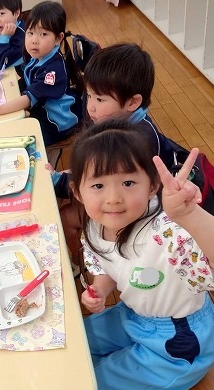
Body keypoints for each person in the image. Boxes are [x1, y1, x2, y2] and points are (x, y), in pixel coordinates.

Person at [43, 120, 214, 390]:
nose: (113, 198)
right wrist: (99, 290)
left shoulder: (168, 233)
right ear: (78, 191)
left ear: (152, 185)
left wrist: (190, 216)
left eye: (128, 183)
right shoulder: (96, 226)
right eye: (98, 185)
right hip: (136, 318)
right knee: (73, 343)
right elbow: (105, 268)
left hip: (180, 343)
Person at [58, 43, 175, 261]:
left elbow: (109, 178)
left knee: (66, 217)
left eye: (100, 99)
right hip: (128, 199)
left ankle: (83, 264)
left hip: (141, 216)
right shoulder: (121, 127)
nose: (90, 107)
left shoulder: (137, 141)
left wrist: (61, 181)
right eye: (89, 96)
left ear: (133, 102)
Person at [0, 1, 79, 146]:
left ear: (58, 38)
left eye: (43, 34)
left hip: (56, 123)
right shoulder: (40, 55)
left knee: (19, 140)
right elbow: (28, 81)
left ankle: (50, 158)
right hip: (42, 110)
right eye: (30, 33)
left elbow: (29, 98)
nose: (34, 40)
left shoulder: (53, 70)